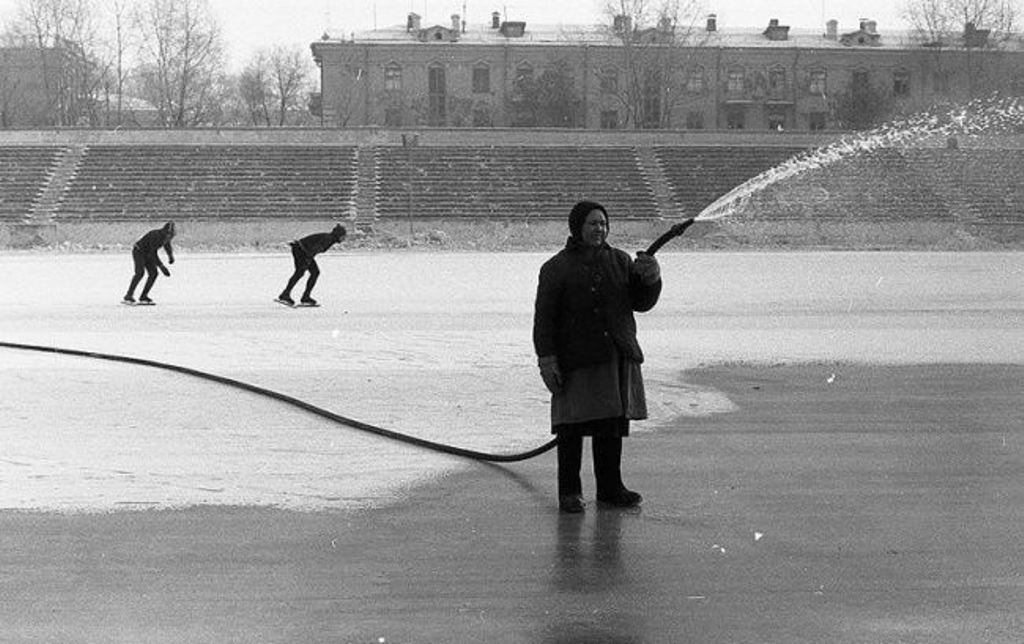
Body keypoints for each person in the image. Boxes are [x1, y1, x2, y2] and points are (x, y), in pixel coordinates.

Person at [533, 201, 663, 514]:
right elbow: (544, 319)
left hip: (613, 356)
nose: (599, 229)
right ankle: (570, 491)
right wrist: (547, 360)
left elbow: (641, 302)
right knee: (570, 429)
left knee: (610, 427)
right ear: (577, 227)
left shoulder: (620, 261)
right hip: (574, 360)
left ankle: (610, 487)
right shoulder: (555, 268)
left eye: (603, 223)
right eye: (593, 223)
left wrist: (651, 278)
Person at [276, 224, 347, 306]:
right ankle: (286, 294)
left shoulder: (330, 238)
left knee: (314, 272)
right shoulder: (328, 239)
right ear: (339, 235)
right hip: (301, 250)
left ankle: (304, 296)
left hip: (303, 251)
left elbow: (313, 249)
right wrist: (307, 260)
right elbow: (314, 248)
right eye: (343, 236)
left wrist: (308, 259)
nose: (344, 238)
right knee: (301, 272)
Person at [123, 221, 175, 305]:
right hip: (139, 251)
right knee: (140, 273)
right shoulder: (156, 235)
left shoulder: (165, 237)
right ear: (166, 232)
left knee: (153, 273)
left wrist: (170, 256)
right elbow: (153, 253)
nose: (170, 237)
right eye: (170, 235)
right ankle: (128, 295)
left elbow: (167, 246)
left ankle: (144, 296)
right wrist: (162, 266)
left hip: (148, 253)